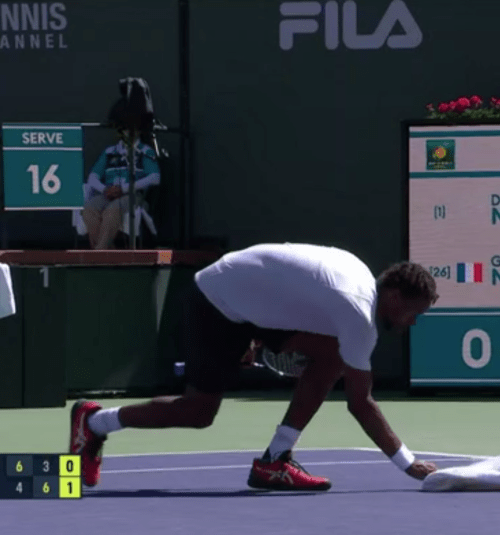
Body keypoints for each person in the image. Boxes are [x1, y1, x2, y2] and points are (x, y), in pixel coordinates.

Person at [68, 242, 440, 490]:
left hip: (244, 294)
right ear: (393, 296)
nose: (412, 323)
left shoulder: (360, 276)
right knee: (198, 412)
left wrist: (259, 332)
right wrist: (408, 464)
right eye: (414, 313)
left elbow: (286, 277)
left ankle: (274, 461)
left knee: (331, 357)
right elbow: (361, 403)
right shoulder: (358, 315)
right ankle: (94, 421)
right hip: (216, 302)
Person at [80, 130, 160, 249]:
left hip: (132, 194)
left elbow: (155, 178)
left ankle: (99, 251)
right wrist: (104, 190)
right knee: (88, 209)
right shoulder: (109, 152)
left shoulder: (145, 151)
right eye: (124, 129)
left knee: (112, 210)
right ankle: (107, 250)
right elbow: (93, 177)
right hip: (108, 193)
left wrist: (123, 189)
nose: (127, 132)